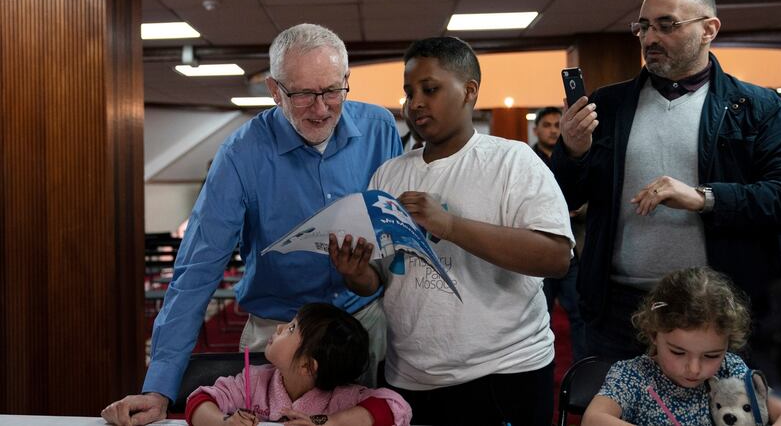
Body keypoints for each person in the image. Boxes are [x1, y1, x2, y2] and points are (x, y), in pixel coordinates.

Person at [101, 23, 403, 426]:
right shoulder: (241, 155)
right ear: (275, 90)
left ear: (347, 81)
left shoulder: (380, 128)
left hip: (359, 326)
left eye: (332, 90)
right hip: (280, 330)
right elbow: (197, 272)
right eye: (303, 95)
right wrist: (158, 389)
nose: (321, 108)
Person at [550, 0, 781, 363]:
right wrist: (573, 151)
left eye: (666, 25)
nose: (650, 37)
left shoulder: (754, 107)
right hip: (620, 306)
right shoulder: (610, 105)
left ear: (708, 30)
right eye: (643, 26)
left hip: (717, 306)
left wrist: (705, 198)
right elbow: (565, 196)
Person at [329, 37, 574, 425]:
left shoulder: (512, 161)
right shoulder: (389, 174)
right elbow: (379, 278)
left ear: (469, 91)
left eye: (430, 89)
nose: (416, 103)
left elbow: (556, 257)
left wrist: (451, 225)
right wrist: (356, 271)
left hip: (505, 371)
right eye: (409, 93)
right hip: (408, 374)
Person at [582, 267, 781, 425]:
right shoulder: (633, 376)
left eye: (711, 355)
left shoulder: (730, 370)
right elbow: (593, 419)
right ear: (653, 334)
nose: (694, 369)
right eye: (678, 352)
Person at [186, 303, 412, 426]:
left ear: (308, 367)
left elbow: (396, 407)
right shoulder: (254, 381)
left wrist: (330, 422)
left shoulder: (342, 398)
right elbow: (198, 401)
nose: (280, 327)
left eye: (292, 328)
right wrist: (224, 423)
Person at [531, 106, 587, 361]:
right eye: (548, 125)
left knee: (578, 311)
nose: (553, 130)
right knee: (541, 312)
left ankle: (581, 369)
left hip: (572, 245)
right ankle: (544, 362)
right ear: (536, 129)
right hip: (538, 244)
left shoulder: (576, 158)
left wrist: (582, 207)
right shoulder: (526, 160)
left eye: (557, 125)